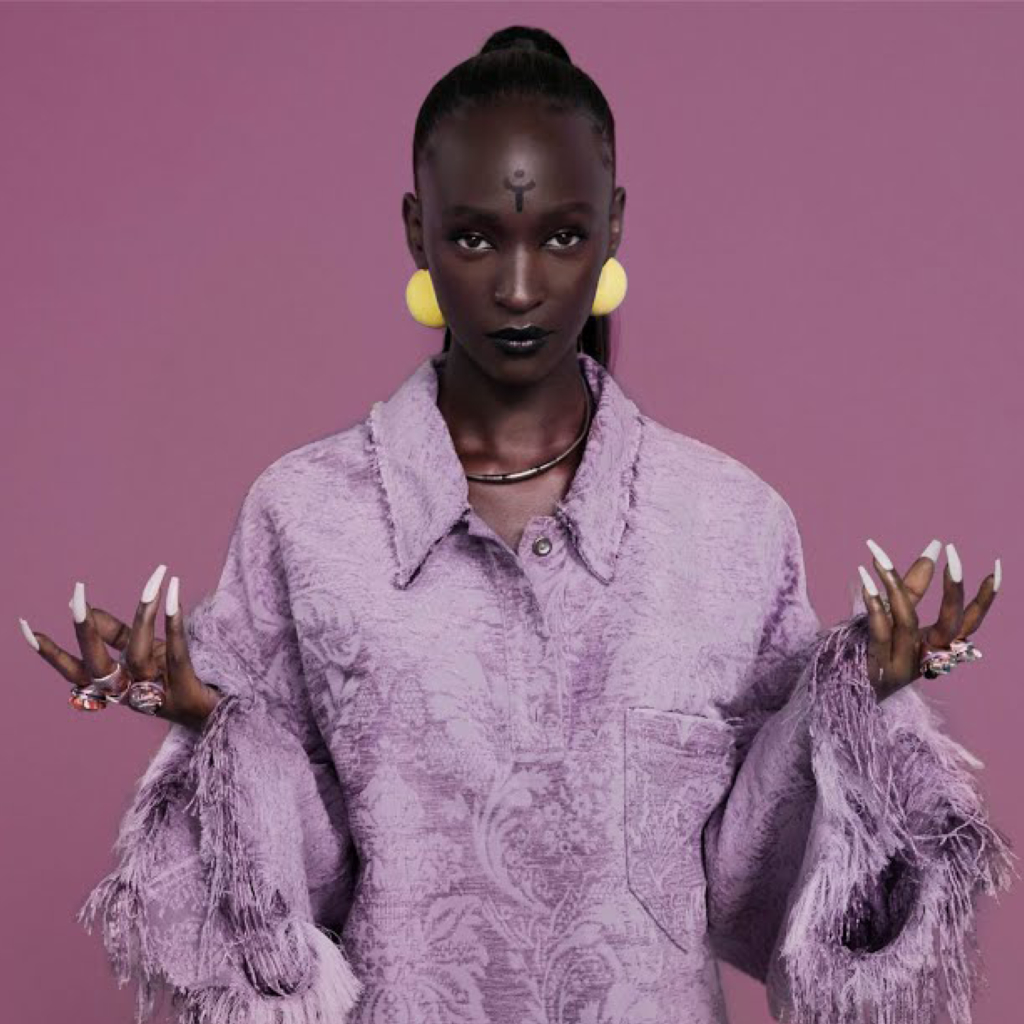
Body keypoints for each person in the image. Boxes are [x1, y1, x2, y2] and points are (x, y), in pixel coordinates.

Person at [19, 25, 1016, 1024]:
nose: (520, 286)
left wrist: (857, 694)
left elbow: (740, 880)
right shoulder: (308, 518)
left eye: (562, 236)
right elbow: (311, 900)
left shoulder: (726, 526)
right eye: (475, 237)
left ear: (613, 226)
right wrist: (210, 719)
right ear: (416, 229)